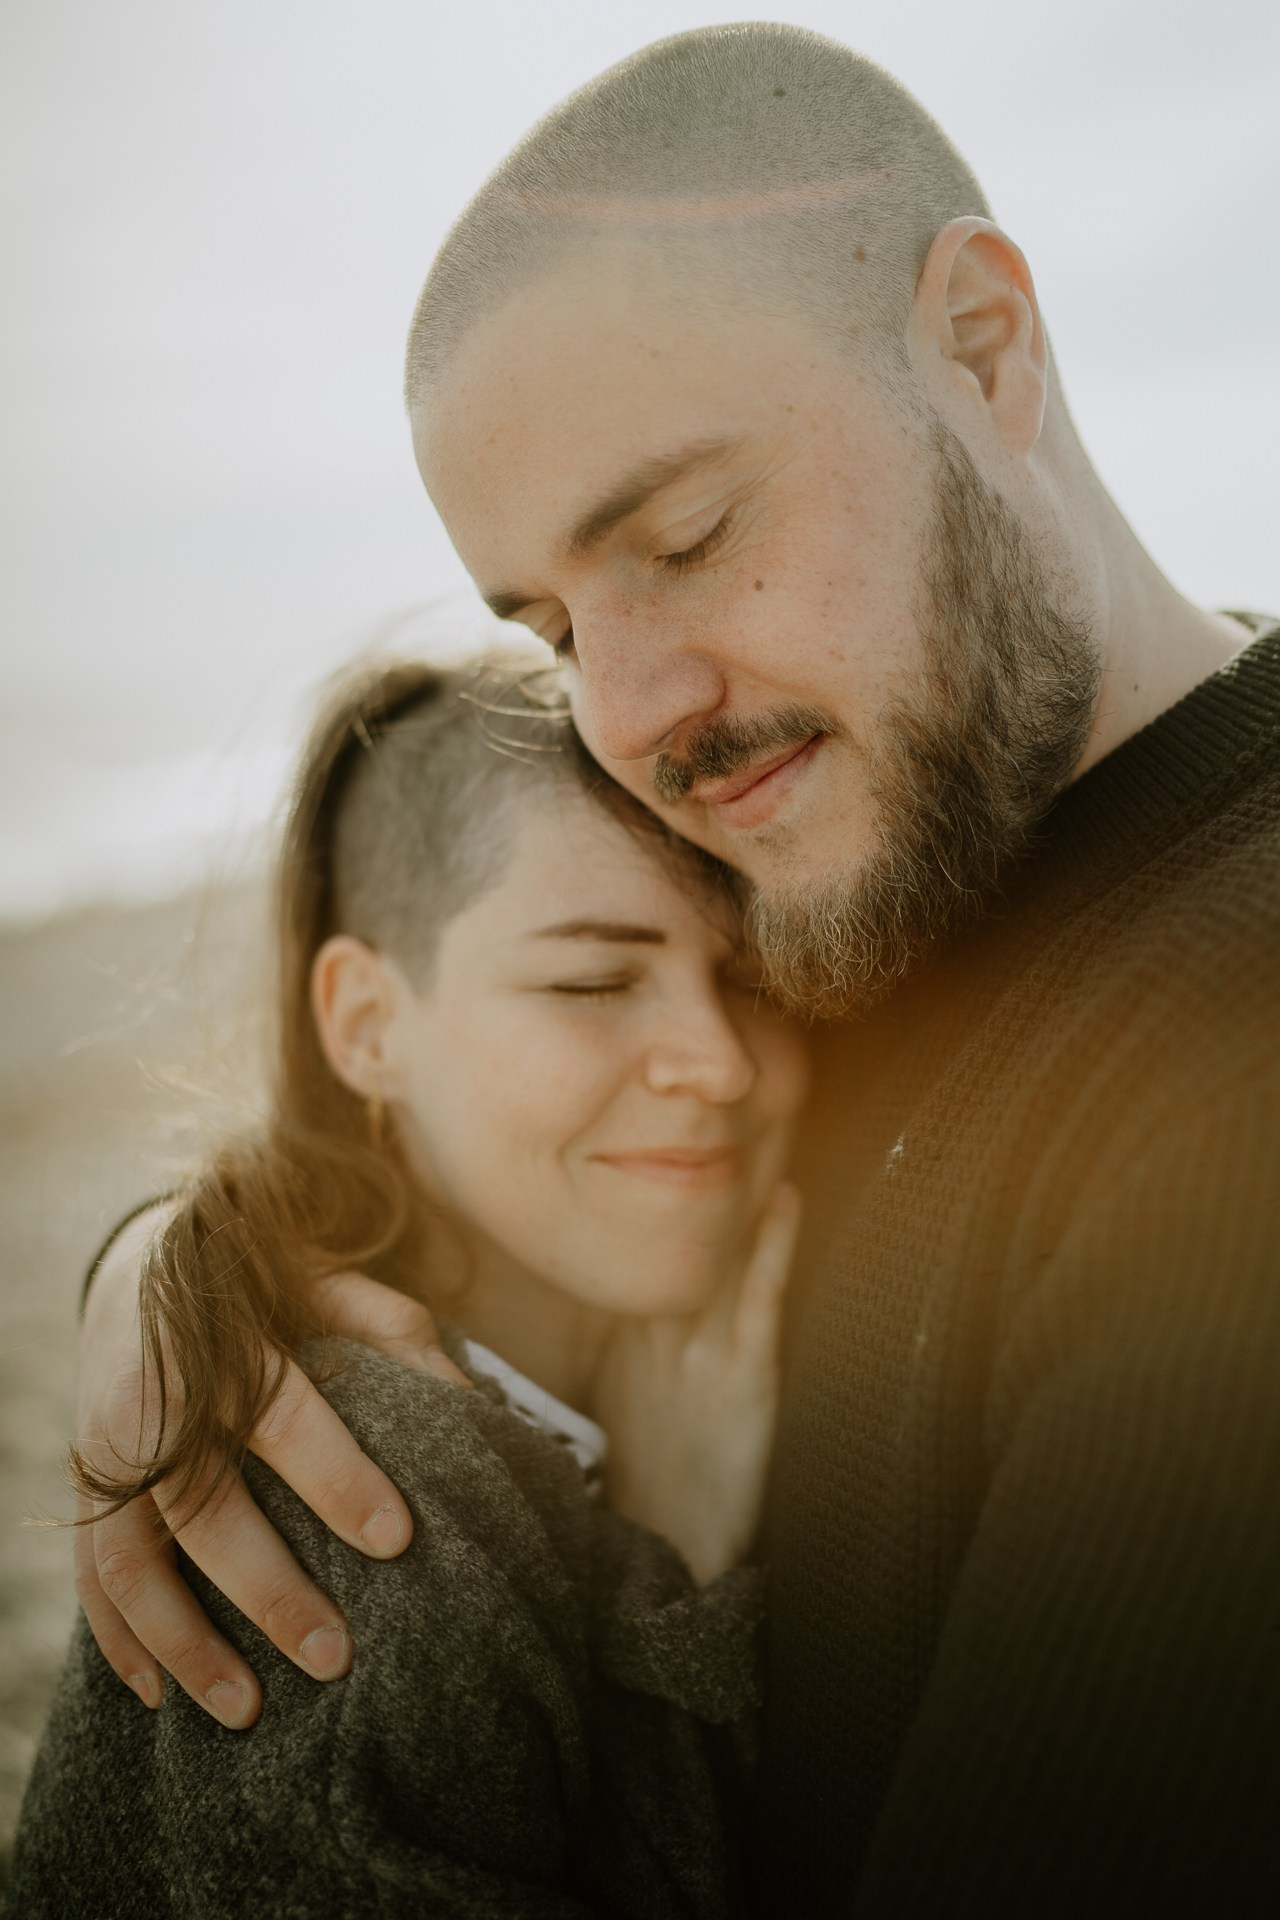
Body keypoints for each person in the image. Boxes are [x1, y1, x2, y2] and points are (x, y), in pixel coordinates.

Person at [71, 23, 1280, 1915]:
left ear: (985, 345)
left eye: (689, 536)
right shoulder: (869, 880)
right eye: (551, 623)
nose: (627, 717)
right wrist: (181, 1264)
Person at [9, 653, 808, 1916]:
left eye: (757, 980)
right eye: (593, 982)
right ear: (367, 1023)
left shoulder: (594, 1366)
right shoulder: (361, 1501)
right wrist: (678, 1579)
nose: (718, 1061)